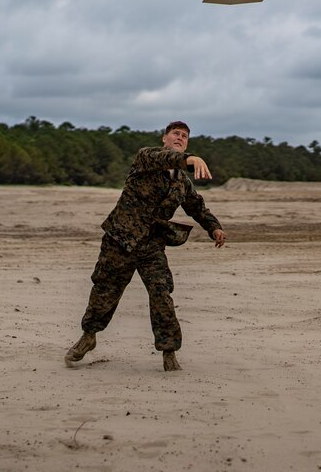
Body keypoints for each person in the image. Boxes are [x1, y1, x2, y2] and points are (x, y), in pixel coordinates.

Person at [64, 120, 226, 371]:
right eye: (175, 134)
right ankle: (88, 336)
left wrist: (213, 227)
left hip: (151, 245)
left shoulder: (182, 182)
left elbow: (197, 207)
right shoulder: (146, 158)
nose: (179, 138)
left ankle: (169, 352)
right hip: (120, 239)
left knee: (162, 293)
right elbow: (164, 158)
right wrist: (191, 159)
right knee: (104, 292)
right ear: (165, 138)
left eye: (184, 136)